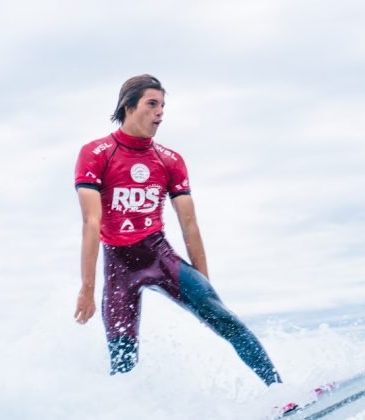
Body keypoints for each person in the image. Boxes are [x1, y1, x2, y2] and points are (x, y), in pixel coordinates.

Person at [73, 74, 282, 386]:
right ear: (129, 107)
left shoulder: (169, 160)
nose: (160, 112)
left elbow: (189, 224)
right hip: (118, 270)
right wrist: (87, 289)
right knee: (122, 363)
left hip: (159, 257)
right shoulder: (97, 153)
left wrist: (204, 289)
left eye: (163, 106)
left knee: (224, 319)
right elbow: (91, 223)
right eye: (152, 104)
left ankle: (281, 393)